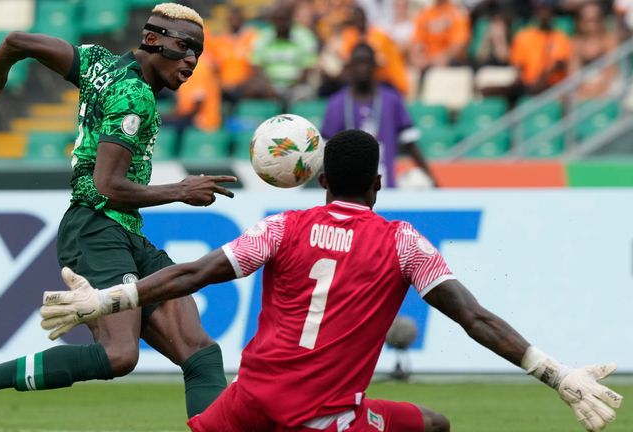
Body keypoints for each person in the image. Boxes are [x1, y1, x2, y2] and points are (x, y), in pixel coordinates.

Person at [40, 128, 623, 432]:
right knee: (436, 424)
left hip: (250, 405)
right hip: (324, 418)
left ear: (320, 184)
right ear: (376, 185)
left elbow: (192, 274)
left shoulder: (282, 228)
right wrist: (555, 373)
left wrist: (110, 299)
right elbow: (476, 319)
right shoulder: (404, 243)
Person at [0, 3, 234, 426]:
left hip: (122, 231)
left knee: (201, 354)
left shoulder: (95, 61)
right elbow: (107, 186)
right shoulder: (133, 97)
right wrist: (182, 190)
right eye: (184, 47)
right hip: (95, 227)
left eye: (197, 51)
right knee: (119, 355)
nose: (192, 61)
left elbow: (17, 42)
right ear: (152, 40)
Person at [321, 43, 437, 188]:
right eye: (358, 63)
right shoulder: (337, 103)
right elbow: (325, 150)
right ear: (350, 66)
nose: (362, 68)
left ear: (375, 65)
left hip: (386, 184)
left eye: (367, 62)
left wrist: (433, 179)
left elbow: (411, 145)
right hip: (348, 188)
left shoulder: (392, 99)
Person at [509, 0, 572, 96]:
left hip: (553, 87)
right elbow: (518, 68)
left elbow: (560, 64)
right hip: (527, 87)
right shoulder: (523, 36)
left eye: (547, 9)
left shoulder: (560, 37)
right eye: (540, 9)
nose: (544, 13)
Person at [569, 1, 618, 100]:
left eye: (595, 19)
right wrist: (583, 89)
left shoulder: (609, 39)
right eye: (587, 20)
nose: (592, 23)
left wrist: (599, 89)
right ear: (580, 21)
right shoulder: (576, 42)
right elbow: (573, 73)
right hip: (584, 85)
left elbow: (611, 69)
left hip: (607, 84)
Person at [409, 0, 470, 72]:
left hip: (449, 66)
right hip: (426, 65)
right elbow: (416, 43)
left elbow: (457, 47)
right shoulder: (424, 14)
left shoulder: (458, 14)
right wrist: (418, 58)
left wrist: (431, 61)